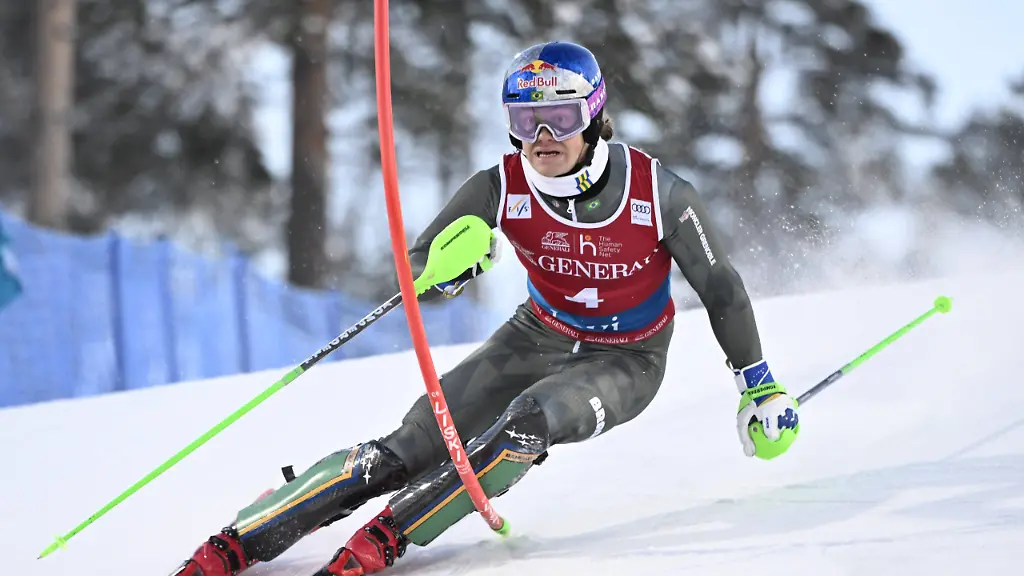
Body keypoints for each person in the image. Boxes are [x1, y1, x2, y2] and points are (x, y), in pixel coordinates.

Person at [171, 41, 800, 576]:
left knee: (528, 422)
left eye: (560, 118)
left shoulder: (657, 192)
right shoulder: (500, 186)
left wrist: (759, 383)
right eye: (526, 121)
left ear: (593, 115)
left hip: (627, 358)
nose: (543, 138)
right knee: (409, 448)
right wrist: (453, 270)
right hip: (536, 335)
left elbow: (721, 286)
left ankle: (387, 537)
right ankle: (237, 541)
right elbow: (419, 268)